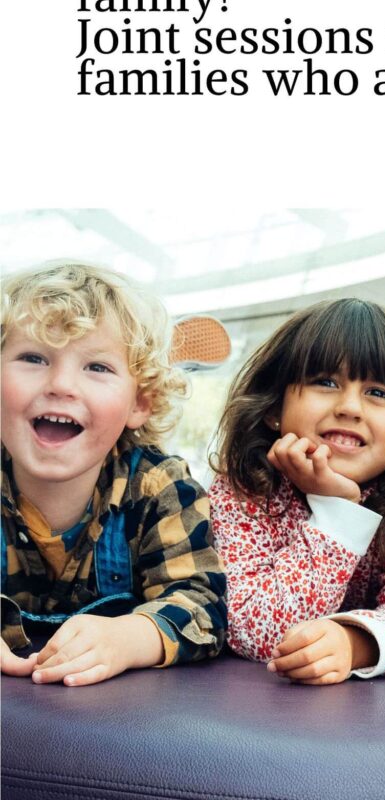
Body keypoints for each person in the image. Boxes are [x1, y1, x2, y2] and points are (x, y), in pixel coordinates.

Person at [1, 261, 227, 686]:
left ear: (139, 403)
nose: (61, 385)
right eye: (33, 358)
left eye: (97, 367)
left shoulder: (159, 486)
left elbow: (201, 601)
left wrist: (130, 637)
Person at [209, 298, 385, 684]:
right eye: (326, 382)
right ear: (274, 408)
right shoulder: (243, 492)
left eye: (378, 393)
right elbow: (258, 632)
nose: (350, 407)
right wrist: (339, 511)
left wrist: (354, 642)